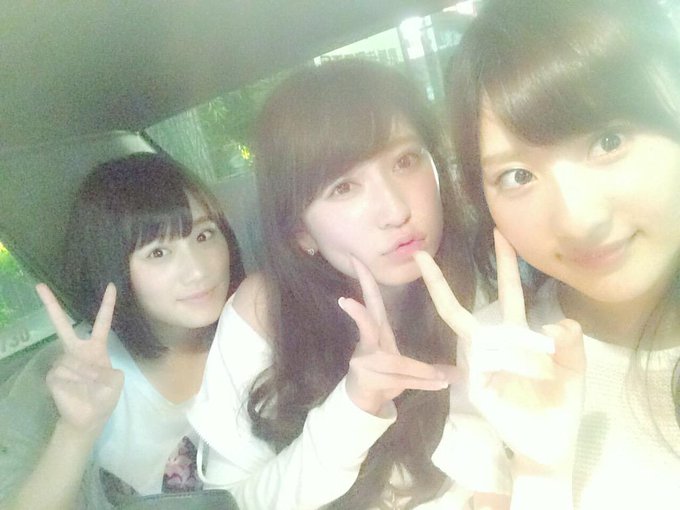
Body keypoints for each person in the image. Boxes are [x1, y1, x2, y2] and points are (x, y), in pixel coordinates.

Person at [189, 59, 514, 509]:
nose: (395, 210)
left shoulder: (485, 277)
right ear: (300, 232)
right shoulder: (265, 312)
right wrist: (354, 406)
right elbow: (237, 501)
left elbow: (496, 474)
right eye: (343, 187)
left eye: (405, 161)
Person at [421, 0, 680, 508]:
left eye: (608, 141)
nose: (578, 220)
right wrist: (541, 473)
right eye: (517, 176)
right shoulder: (501, 353)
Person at [0, 152, 245, 509]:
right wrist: (76, 432)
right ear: (112, 266)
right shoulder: (72, 373)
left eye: (204, 235)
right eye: (158, 252)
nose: (197, 270)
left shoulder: (260, 332)